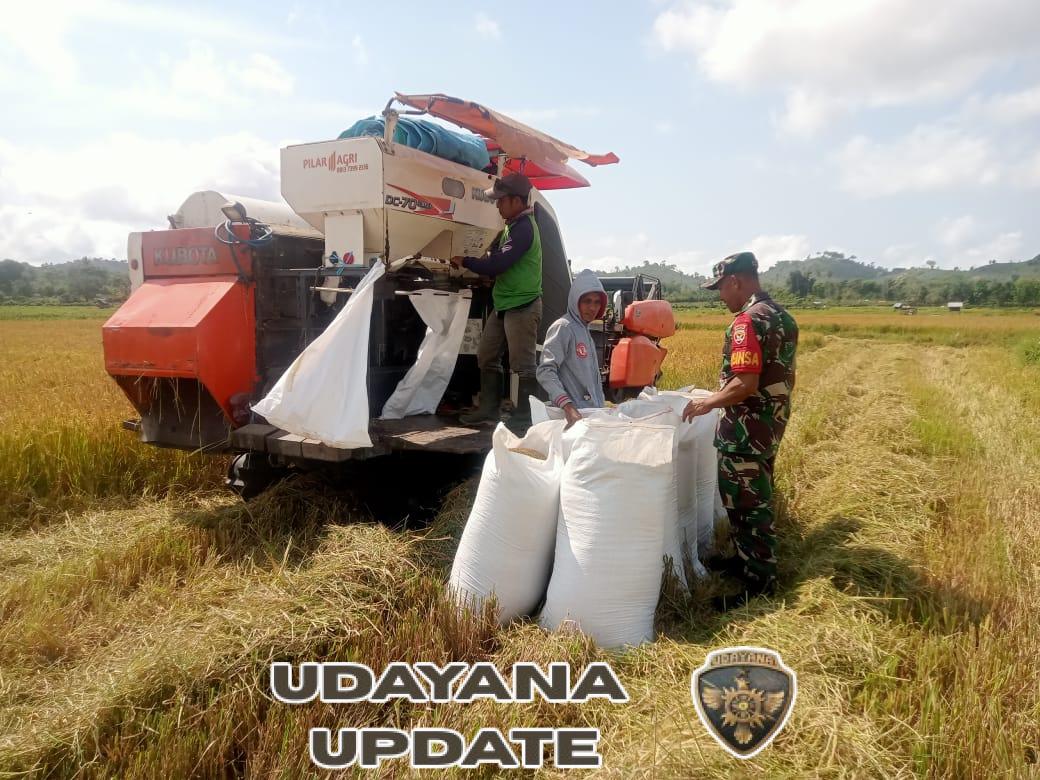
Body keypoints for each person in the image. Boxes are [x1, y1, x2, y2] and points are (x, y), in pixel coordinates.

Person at [681, 251, 798, 609]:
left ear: (736, 281)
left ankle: (759, 584)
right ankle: (745, 561)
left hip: (746, 428)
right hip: (770, 422)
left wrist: (707, 402)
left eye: (721, 288)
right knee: (756, 495)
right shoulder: (782, 316)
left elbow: (744, 383)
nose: (720, 296)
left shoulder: (746, 322)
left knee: (746, 503)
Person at [450, 173, 541, 433]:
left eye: (500, 201)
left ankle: (524, 418)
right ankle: (489, 409)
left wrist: (465, 261)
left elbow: (498, 264)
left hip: (522, 304)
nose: (497, 206)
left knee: (523, 365)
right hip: (504, 303)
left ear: (515, 200)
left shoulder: (524, 228)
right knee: (487, 355)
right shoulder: (513, 226)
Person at [536, 270, 608, 428]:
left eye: (597, 302)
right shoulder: (563, 327)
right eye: (587, 301)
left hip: (590, 417)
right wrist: (567, 406)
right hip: (574, 418)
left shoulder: (584, 330)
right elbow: (545, 371)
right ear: (576, 301)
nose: (592, 307)